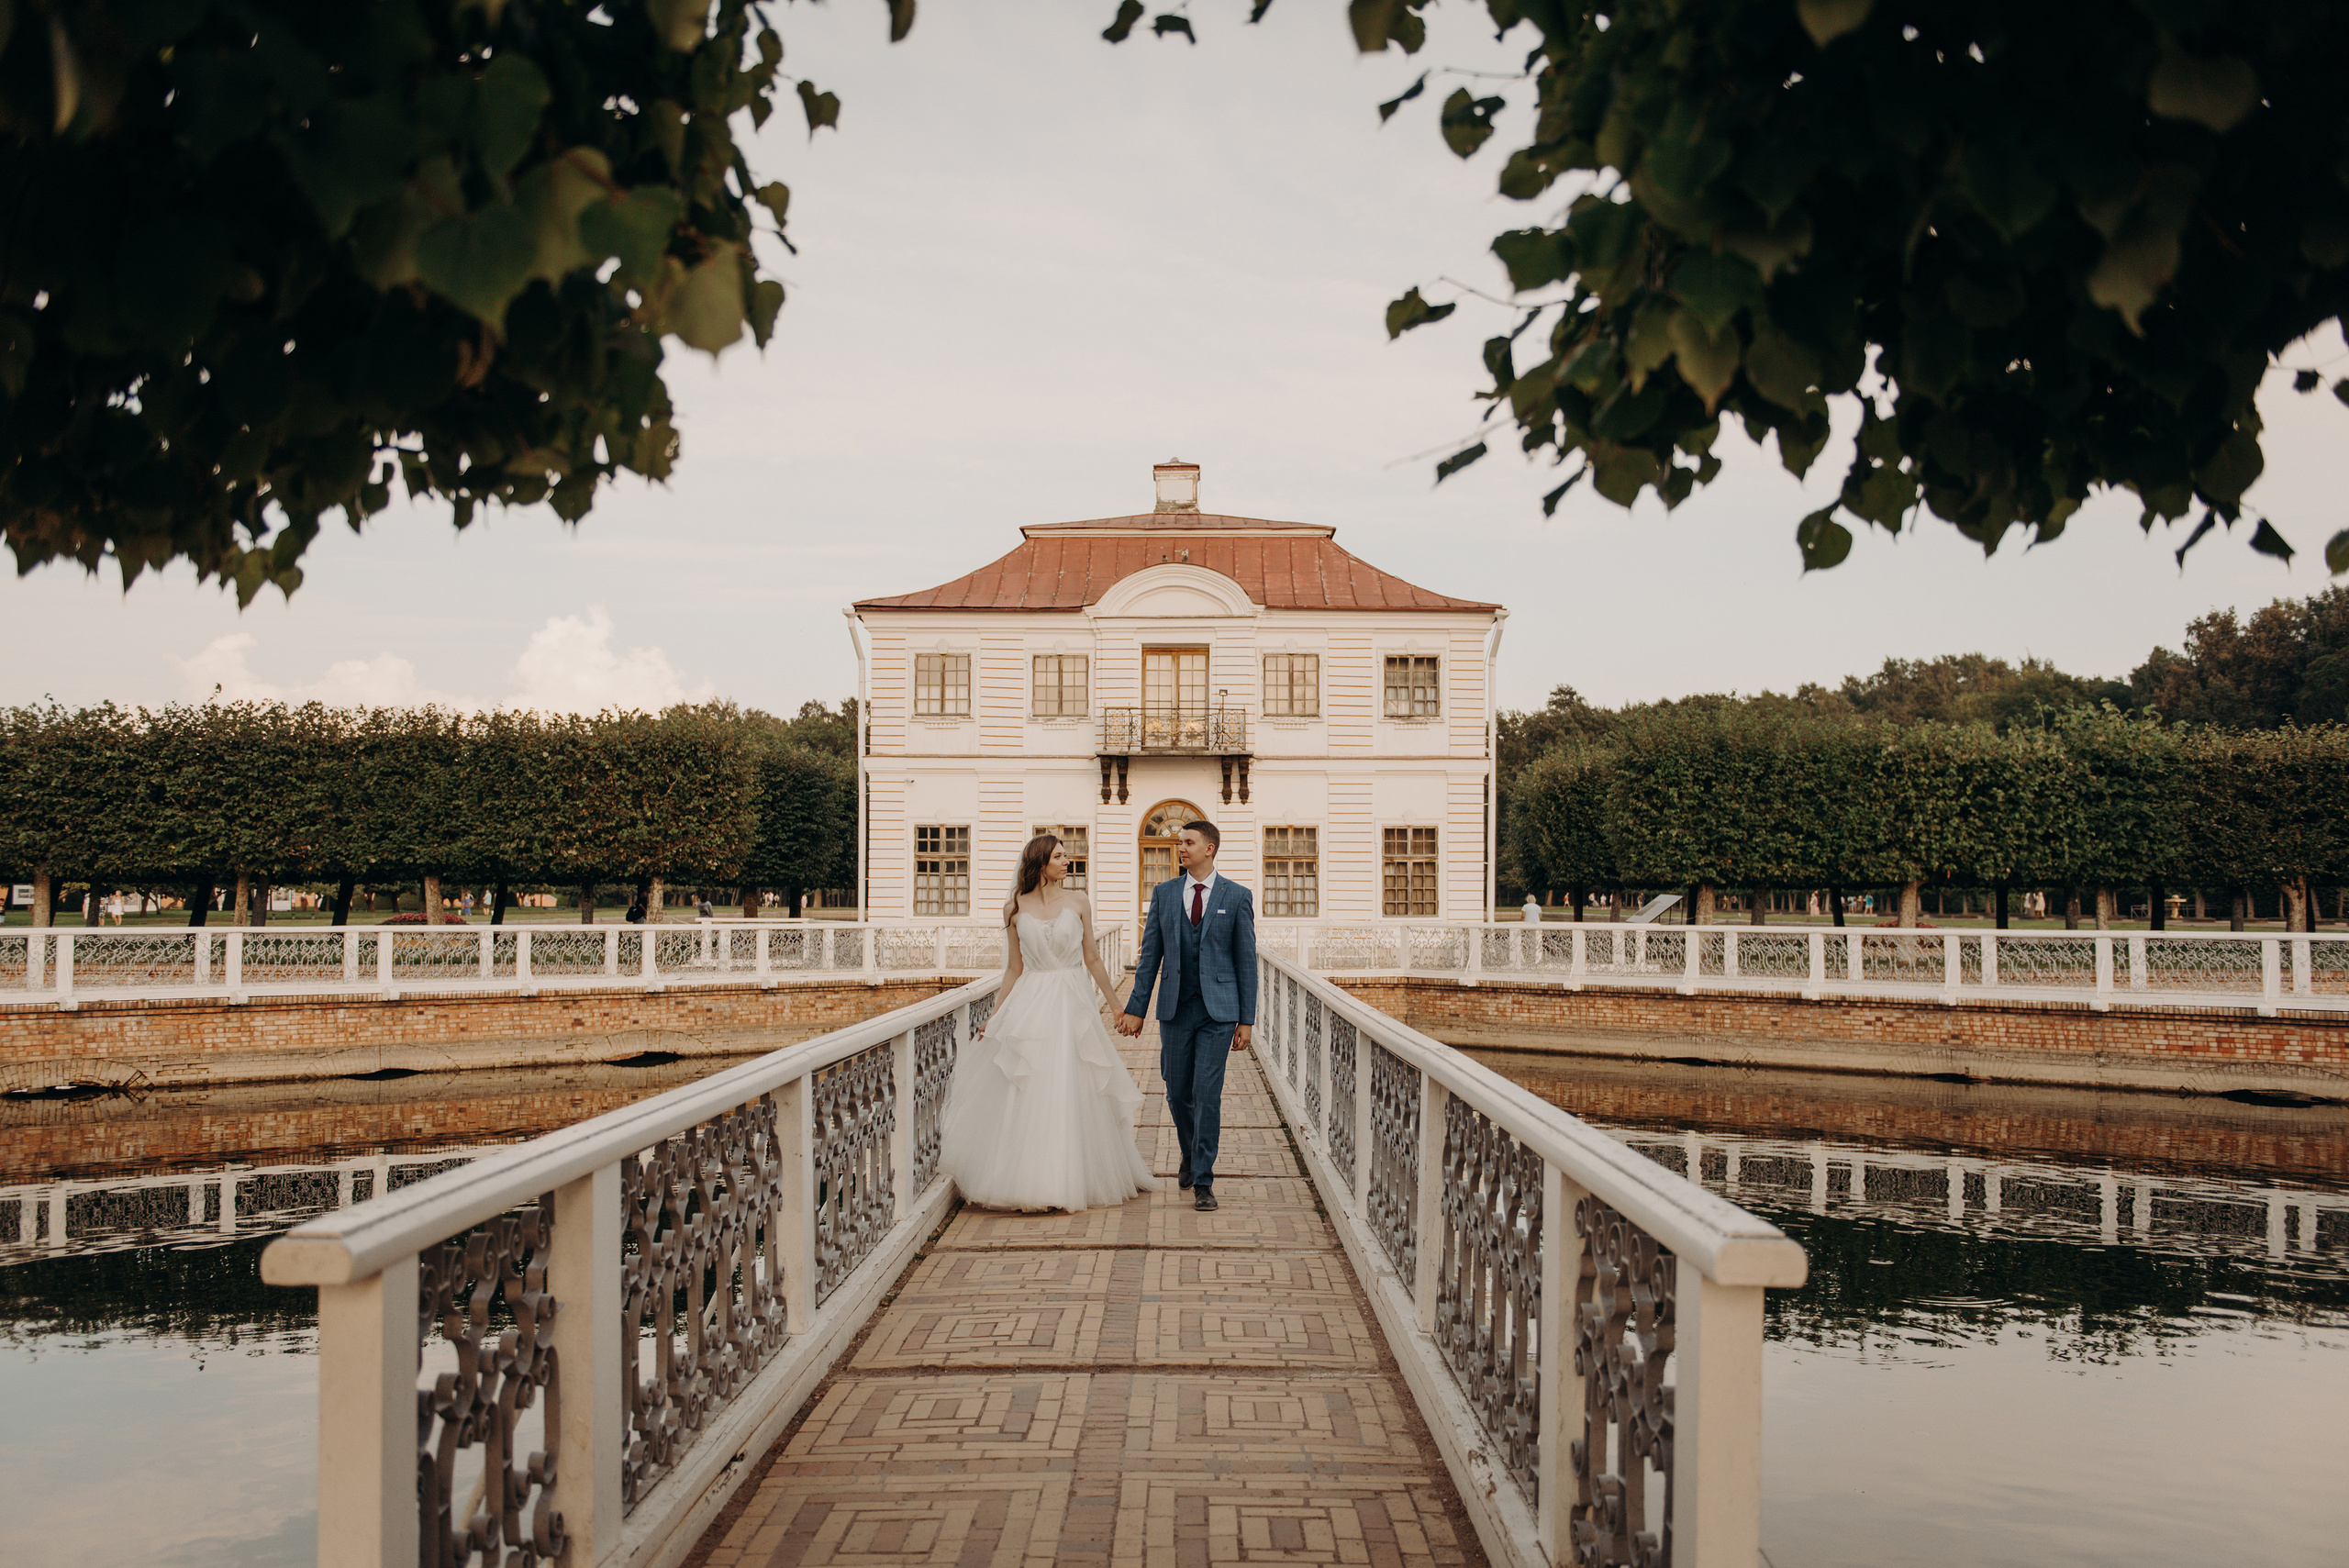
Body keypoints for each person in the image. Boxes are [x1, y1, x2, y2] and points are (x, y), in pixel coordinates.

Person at [940, 835, 1153, 1212]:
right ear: (1041, 863)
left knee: (1073, 1083)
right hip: (1031, 1003)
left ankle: (1073, 1175)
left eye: (1066, 855)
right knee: (1029, 1087)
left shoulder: (1079, 901)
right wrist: (993, 1017)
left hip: (1072, 1001)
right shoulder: (1013, 908)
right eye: (1059, 856)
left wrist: (1118, 1006)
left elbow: (1093, 959)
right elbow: (1013, 969)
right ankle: (1028, 1178)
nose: (1067, 861)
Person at [1117, 818, 1256, 1212]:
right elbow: (1149, 960)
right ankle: (1189, 1152)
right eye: (1180, 842)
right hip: (1176, 1008)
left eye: (1189, 842)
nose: (1181, 848)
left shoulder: (1237, 895)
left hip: (1219, 1012)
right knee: (1178, 1093)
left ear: (1209, 848)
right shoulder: (1163, 894)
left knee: (1206, 1094)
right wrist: (1136, 1010)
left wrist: (1246, 1019)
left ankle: (1204, 1181)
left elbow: (1247, 963)